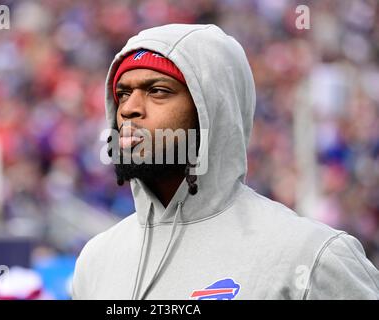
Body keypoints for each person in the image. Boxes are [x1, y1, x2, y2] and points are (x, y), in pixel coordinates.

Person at [72, 24, 379, 300]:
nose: (130, 109)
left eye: (158, 91)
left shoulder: (311, 256)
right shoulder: (96, 260)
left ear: (213, 111)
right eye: (123, 94)